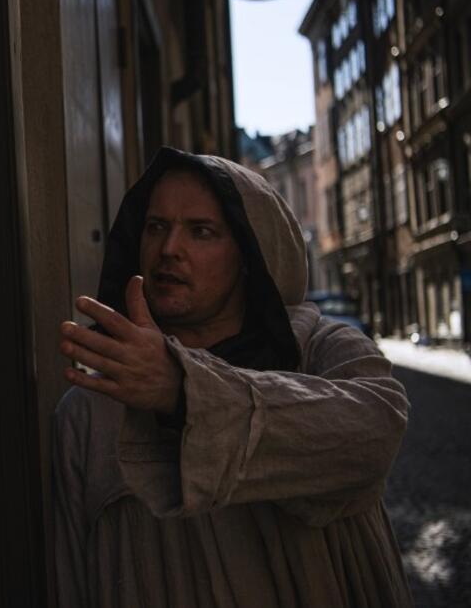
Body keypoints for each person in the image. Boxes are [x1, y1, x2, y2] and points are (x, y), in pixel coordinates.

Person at [53, 147, 412, 607]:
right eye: (156, 227)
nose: (169, 249)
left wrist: (183, 390)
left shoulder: (320, 350)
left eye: (200, 232)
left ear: (248, 252)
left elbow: (376, 431)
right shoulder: (92, 409)